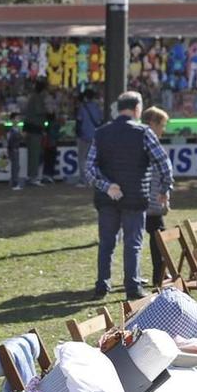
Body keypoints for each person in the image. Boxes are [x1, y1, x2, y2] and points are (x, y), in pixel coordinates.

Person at [86, 89, 175, 300]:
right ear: (137, 109)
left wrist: (106, 185)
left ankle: (102, 284)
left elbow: (89, 168)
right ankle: (132, 287)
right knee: (133, 244)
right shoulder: (144, 132)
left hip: (107, 198)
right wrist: (164, 189)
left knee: (106, 242)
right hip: (136, 197)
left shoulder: (101, 133)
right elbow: (163, 163)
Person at [141, 106, 174, 287]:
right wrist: (162, 196)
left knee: (144, 238)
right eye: (162, 125)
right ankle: (159, 275)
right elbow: (159, 173)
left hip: (149, 201)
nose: (164, 129)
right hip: (151, 202)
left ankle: (156, 273)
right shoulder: (150, 144)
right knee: (158, 238)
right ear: (152, 123)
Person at [23, 78, 52, 184]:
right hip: (35, 129)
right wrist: (48, 110)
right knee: (35, 154)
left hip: (31, 129)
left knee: (32, 154)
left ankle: (31, 175)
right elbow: (39, 111)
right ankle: (33, 177)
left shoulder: (32, 97)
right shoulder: (37, 98)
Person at [74, 89, 104, 185]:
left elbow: (79, 121)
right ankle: (92, 178)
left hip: (84, 136)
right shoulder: (97, 107)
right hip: (95, 135)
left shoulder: (82, 108)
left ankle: (84, 179)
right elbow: (100, 121)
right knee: (92, 159)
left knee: (82, 158)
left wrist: (77, 133)